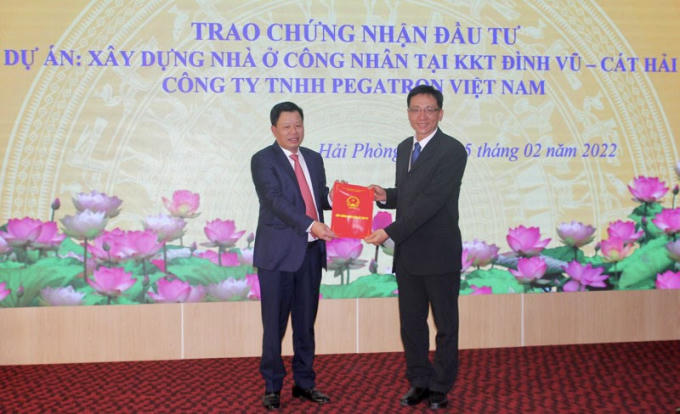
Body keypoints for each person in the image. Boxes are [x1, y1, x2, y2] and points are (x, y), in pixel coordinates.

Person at [365, 85, 467, 410]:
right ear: (408, 112)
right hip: (409, 254)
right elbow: (410, 195)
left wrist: (389, 232)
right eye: (416, 109)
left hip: (439, 253)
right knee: (411, 325)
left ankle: (440, 386)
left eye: (429, 109)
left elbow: (431, 202)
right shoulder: (404, 148)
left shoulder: (452, 151)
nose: (422, 116)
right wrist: (387, 196)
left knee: (445, 327)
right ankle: (419, 381)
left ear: (440, 113)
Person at [251, 101, 336, 410]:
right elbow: (274, 201)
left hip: (311, 254)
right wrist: (311, 224)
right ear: (274, 129)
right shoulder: (263, 160)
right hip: (277, 257)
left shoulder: (313, 158)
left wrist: (337, 196)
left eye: (298, 125)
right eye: (286, 126)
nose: (294, 131)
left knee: (305, 324)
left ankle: (305, 383)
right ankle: (272, 386)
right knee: (274, 326)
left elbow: (318, 197)